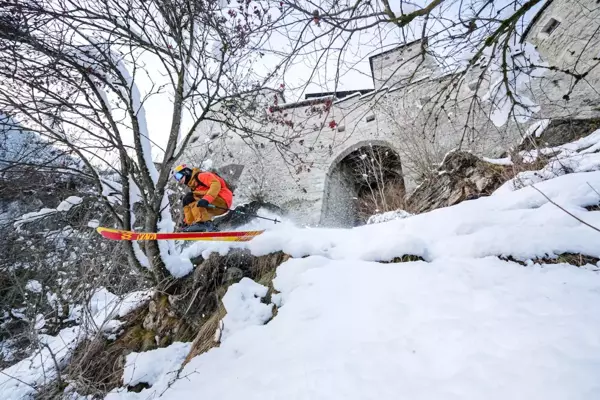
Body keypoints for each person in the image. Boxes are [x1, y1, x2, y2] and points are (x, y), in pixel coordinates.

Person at [172, 163, 233, 232]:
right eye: (176, 178)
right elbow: (192, 207)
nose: (179, 180)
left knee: (190, 196)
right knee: (186, 199)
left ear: (186, 172)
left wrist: (207, 199)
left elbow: (216, 184)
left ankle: (204, 223)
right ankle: (191, 225)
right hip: (213, 204)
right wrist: (186, 222)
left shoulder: (201, 176)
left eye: (179, 176)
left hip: (222, 200)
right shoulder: (194, 187)